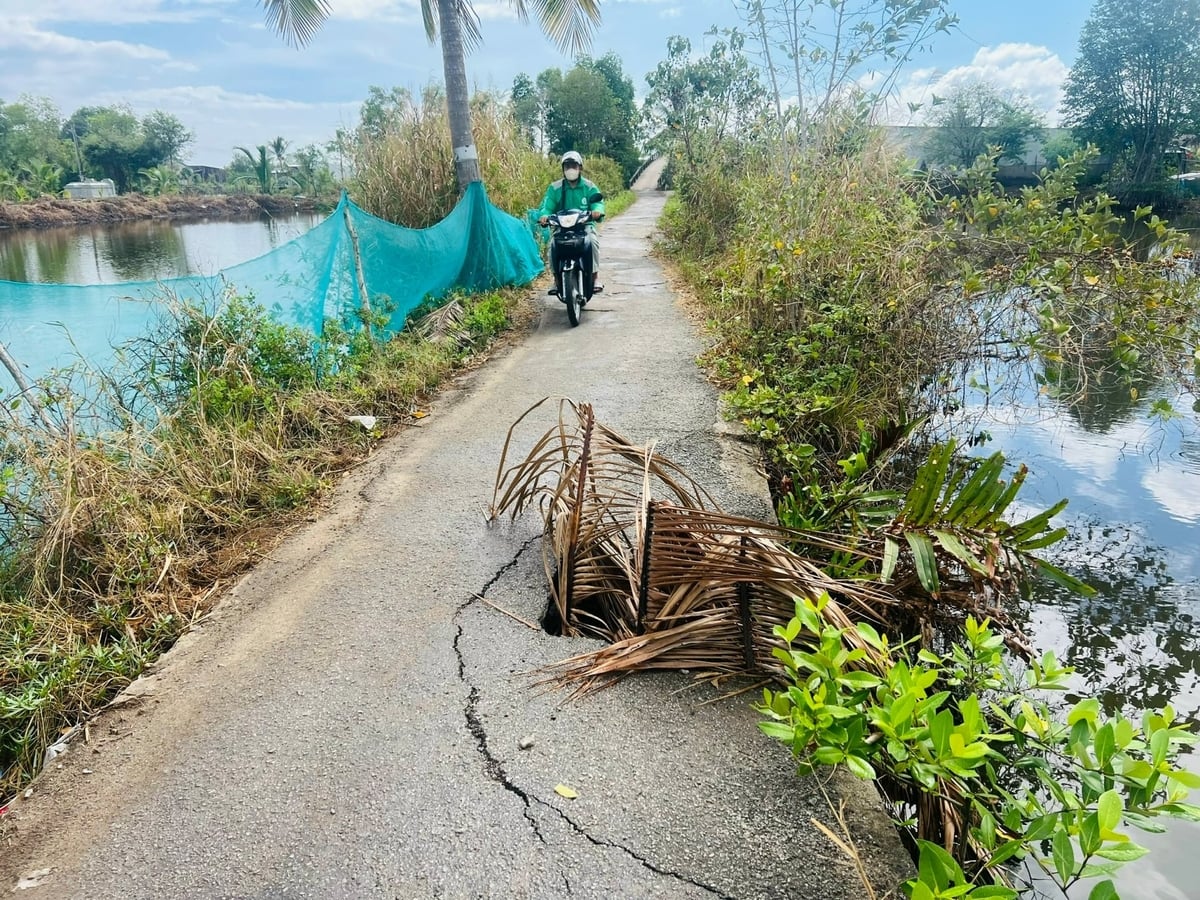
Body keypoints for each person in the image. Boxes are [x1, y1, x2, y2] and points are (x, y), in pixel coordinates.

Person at [536, 151, 605, 295]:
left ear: (580, 167)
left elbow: (598, 202)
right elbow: (547, 206)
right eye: (567, 166)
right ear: (563, 168)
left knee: (592, 241)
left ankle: (595, 277)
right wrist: (544, 216)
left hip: (584, 225)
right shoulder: (555, 188)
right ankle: (556, 280)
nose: (570, 169)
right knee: (553, 246)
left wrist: (597, 211)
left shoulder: (589, 186)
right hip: (562, 227)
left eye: (574, 165)